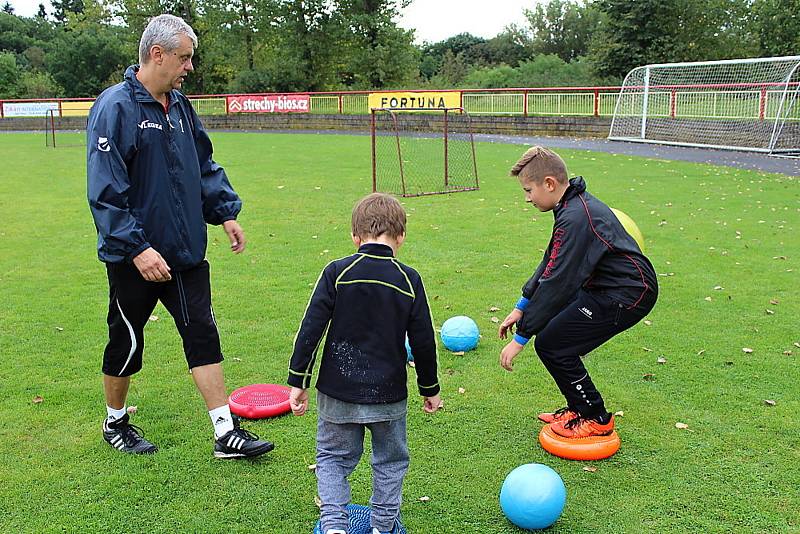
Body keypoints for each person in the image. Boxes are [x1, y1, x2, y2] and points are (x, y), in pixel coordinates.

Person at [86, 14, 272, 459]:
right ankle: (116, 422)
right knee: (127, 340)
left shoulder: (182, 107)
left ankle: (225, 433)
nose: (189, 67)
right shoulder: (115, 108)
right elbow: (106, 191)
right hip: (135, 259)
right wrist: (137, 248)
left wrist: (224, 212)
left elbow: (203, 165)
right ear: (158, 54)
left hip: (186, 251)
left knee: (202, 334)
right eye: (184, 58)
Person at [288, 193, 442, 534]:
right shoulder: (409, 279)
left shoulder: (336, 272)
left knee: (332, 459)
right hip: (389, 396)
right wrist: (429, 389)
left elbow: (310, 329)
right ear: (401, 236)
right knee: (389, 462)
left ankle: (334, 527)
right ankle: (382, 528)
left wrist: (298, 381)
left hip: (336, 392)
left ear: (355, 236)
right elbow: (423, 340)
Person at [498, 146, 658, 439]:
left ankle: (596, 417)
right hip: (602, 288)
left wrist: (521, 338)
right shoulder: (569, 207)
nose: (527, 198)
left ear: (549, 183)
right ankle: (578, 408)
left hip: (628, 294)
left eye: (528, 190)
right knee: (552, 342)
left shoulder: (576, 216)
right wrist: (522, 306)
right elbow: (550, 261)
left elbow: (558, 283)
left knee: (554, 345)